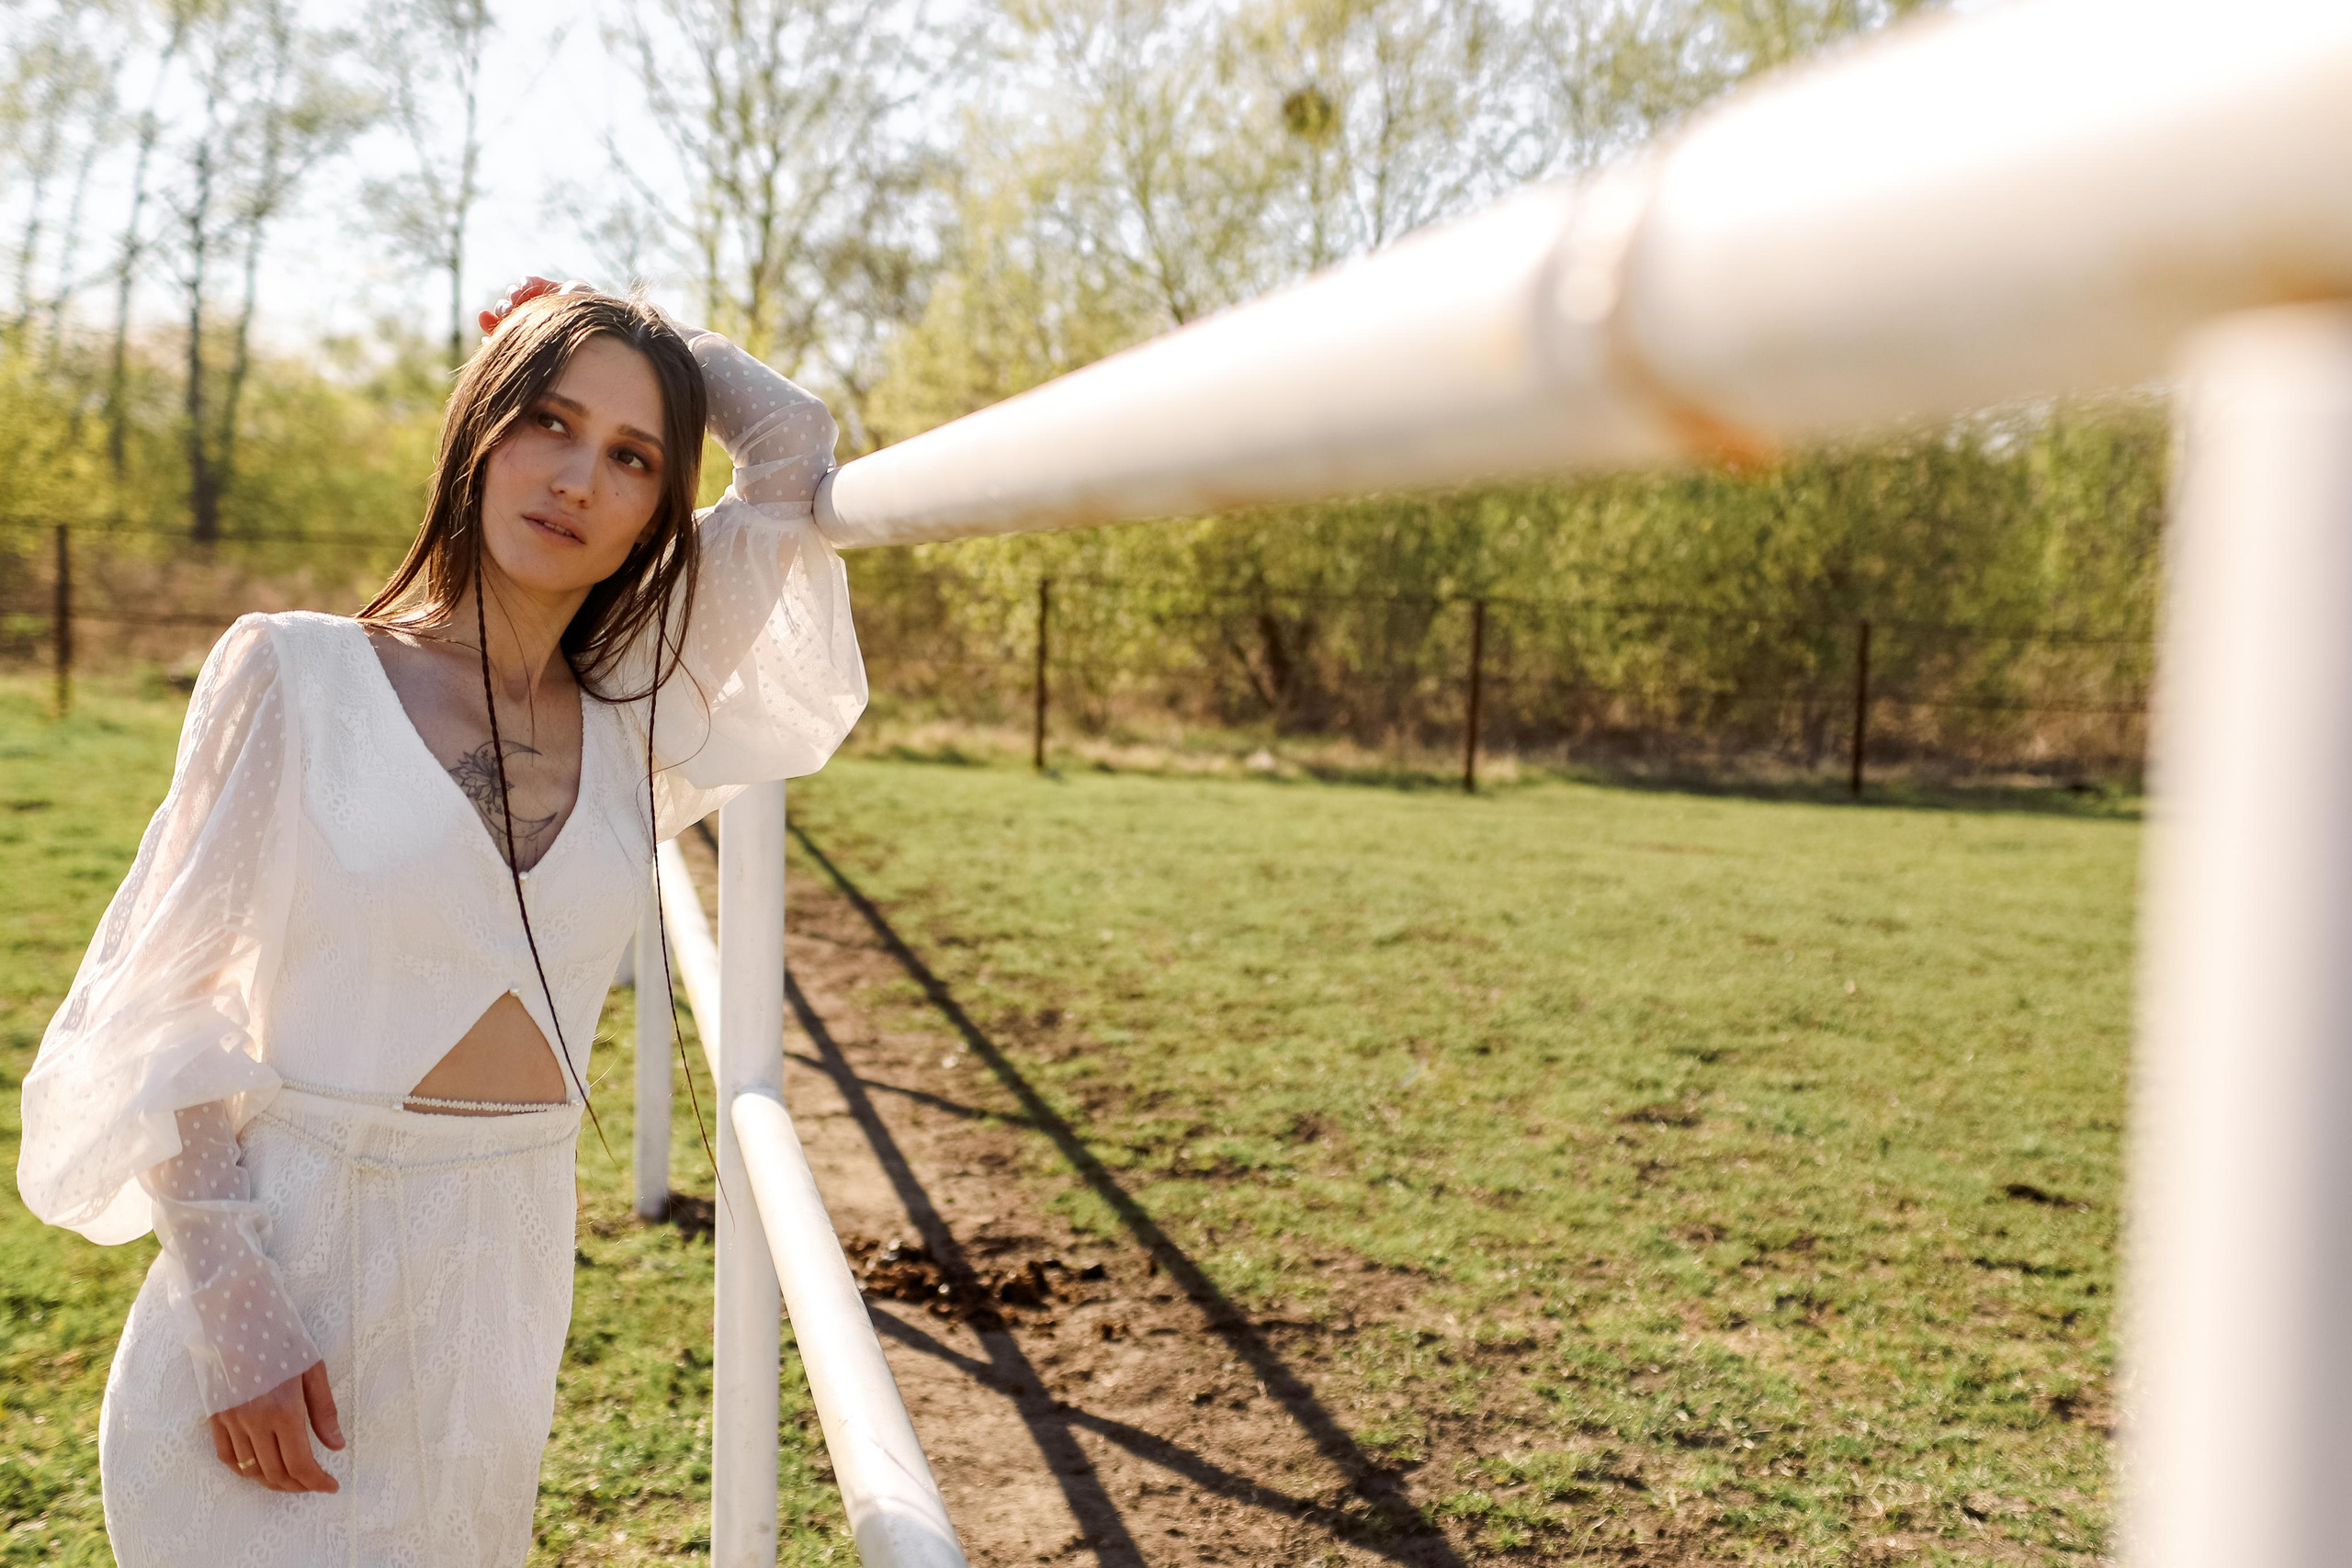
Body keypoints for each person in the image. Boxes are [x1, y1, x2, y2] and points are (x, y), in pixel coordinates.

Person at [14, 275, 866, 1566]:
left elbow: (793, 448)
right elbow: (168, 998)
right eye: (545, 419)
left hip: (503, 1275)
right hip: (290, 1272)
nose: (577, 477)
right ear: (478, 428)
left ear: (654, 512)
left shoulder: (641, 717)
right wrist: (232, 1299)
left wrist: (636, 327)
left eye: (632, 458)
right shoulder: (296, 673)